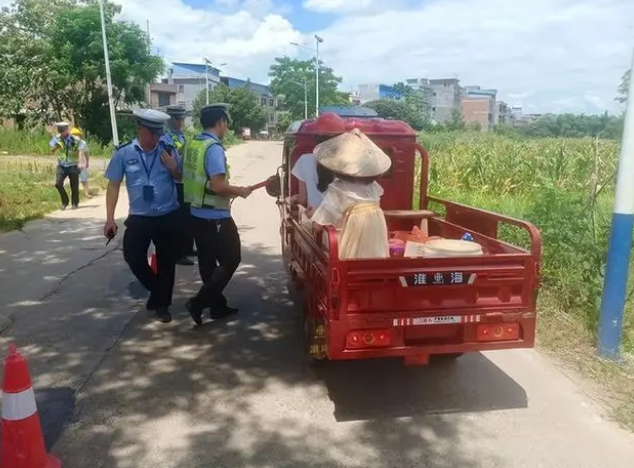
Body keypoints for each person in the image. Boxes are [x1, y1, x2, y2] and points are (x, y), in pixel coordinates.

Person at [103, 109, 182, 323]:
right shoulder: (124, 153)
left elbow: (181, 177)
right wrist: (110, 218)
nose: (157, 138)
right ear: (141, 130)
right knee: (132, 255)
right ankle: (158, 291)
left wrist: (174, 168)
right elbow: (113, 186)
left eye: (159, 133)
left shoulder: (168, 151)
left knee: (166, 262)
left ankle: (162, 305)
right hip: (140, 216)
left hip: (167, 214)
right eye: (152, 133)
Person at [183, 103, 252, 326]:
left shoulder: (194, 143)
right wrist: (239, 191)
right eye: (226, 123)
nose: (226, 127)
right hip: (215, 216)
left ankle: (217, 306)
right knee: (232, 258)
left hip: (195, 212)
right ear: (221, 122)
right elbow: (218, 185)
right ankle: (199, 302)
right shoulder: (213, 148)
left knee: (207, 262)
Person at [310, 128, 392, 259]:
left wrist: (311, 219)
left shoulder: (339, 189)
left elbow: (320, 224)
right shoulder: (373, 188)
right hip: (376, 244)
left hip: (354, 246)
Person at [161, 105, 196, 266]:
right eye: (180, 119)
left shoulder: (181, 136)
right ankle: (178, 253)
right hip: (173, 183)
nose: (182, 122)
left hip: (184, 181)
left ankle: (188, 248)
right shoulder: (165, 139)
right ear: (172, 120)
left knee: (188, 218)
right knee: (178, 220)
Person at [290, 144, 335, 217]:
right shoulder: (347, 162)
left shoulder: (305, 160)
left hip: (315, 218)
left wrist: (294, 198)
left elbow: (302, 199)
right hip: (346, 220)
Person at [49, 121, 85, 210]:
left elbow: (80, 150)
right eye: (59, 130)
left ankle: (74, 203)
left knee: (74, 185)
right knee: (58, 184)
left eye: (62, 130)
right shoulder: (57, 138)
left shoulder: (75, 139)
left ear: (67, 129)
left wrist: (81, 162)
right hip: (62, 165)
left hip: (73, 165)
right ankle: (65, 201)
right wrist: (56, 147)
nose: (61, 132)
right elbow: (52, 150)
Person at [71, 127, 91, 198]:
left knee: (84, 179)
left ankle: (86, 193)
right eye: (74, 135)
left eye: (77, 135)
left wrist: (87, 162)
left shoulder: (83, 143)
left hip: (81, 163)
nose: (76, 136)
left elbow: (86, 153)